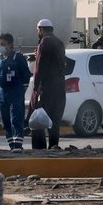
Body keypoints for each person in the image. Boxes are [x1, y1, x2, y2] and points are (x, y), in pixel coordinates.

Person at [29, 18, 66, 150]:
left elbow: (40, 67)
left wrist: (36, 86)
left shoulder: (44, 42)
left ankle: (39, 147)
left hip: (46, 88)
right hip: (59, 87)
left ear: (41, 29)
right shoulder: (59, 42)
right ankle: (54, 145)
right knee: (55, 120)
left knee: (38, 117)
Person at [0, 33, 31, 152]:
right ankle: (11, 144)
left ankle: (18, 145)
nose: (0, 47)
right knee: (5, 120)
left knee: (16, 118)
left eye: (3, 44)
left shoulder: (18, 57)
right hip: (3, 93)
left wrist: (21, 91)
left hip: (15, 92)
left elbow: (26, 76)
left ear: (10, 45)